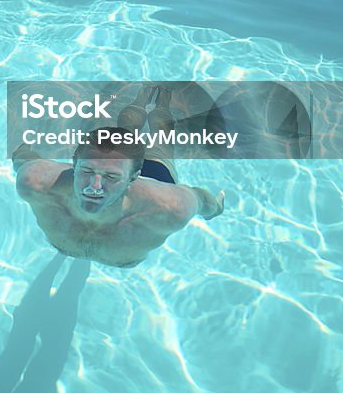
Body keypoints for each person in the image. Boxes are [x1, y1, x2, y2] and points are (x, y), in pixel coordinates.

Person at [14, 85, 224, 268]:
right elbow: (24, 162)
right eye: (87, 172)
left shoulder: (170, 207)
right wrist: (21, 152)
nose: (94, 187)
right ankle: (142, 97)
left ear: (134, 178)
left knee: (160, 135)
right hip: (120, 165)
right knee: (125, 130)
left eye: (110, 177)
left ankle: (161, 103)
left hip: (154, 174)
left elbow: (200, 199)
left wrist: (215, 208)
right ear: (74, 165)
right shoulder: (34, 183)